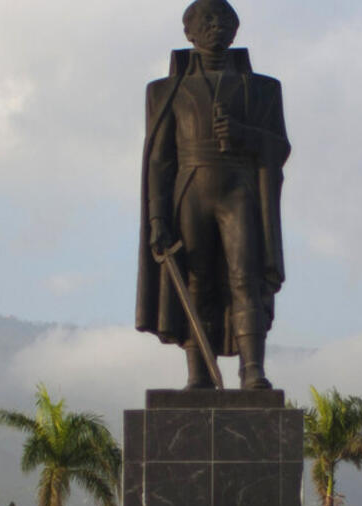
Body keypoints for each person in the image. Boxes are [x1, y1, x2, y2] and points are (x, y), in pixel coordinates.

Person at [136, 0, 291, 390]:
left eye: (223, 19)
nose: (216, 26)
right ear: (188, 32)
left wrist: (244, 135)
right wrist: (157, 217)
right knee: (196, 282)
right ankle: (198, 375)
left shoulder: (262, 89)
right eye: (206, 20)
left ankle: (252, 370)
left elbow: (279, 147)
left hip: (239, 191)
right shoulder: (166, 91)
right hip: (189, 191)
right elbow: (159, 160)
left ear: (235, 29)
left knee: (245, 278)